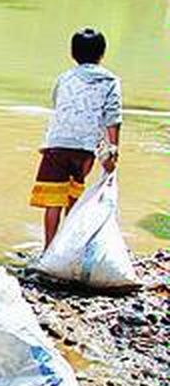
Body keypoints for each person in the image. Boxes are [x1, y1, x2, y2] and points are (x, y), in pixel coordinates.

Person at [30, 28, 120, 248]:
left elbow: (58, 105)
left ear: (73, 53)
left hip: (56, 144)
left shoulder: (64, 78)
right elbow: (113, 117)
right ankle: (69, 247)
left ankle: (49, 249)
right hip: (85, 148)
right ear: (102, 53)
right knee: (73, 195)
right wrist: (113, 149)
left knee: (54, 201)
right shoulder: (110, 81)